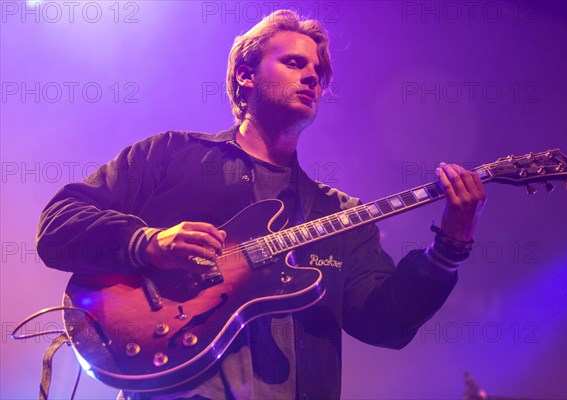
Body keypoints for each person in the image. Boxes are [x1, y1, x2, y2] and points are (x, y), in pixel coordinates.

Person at [36, 9, 486, 400]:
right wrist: (146, 243)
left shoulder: (338, 214)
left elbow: (385, 323)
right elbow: (59, 225)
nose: (312, 76)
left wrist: (449, 245)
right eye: (294, 62)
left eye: (318, 72)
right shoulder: (169, 155)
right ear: (245, 75)